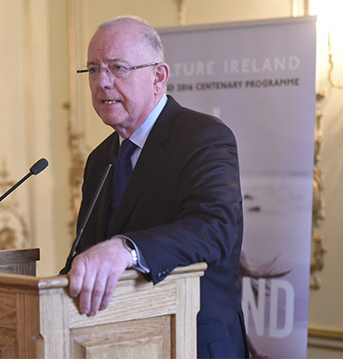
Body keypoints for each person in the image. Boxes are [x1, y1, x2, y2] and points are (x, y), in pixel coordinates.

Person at [63, 15, 249, 358]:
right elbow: (87, 251)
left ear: (158, 77)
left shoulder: (204, 137)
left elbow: (215, 228)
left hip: (192, 342)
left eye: (117, 68)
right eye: (92, 69)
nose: (102, 82)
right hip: (120, 344)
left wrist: (127, 249)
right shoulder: (99, 159)